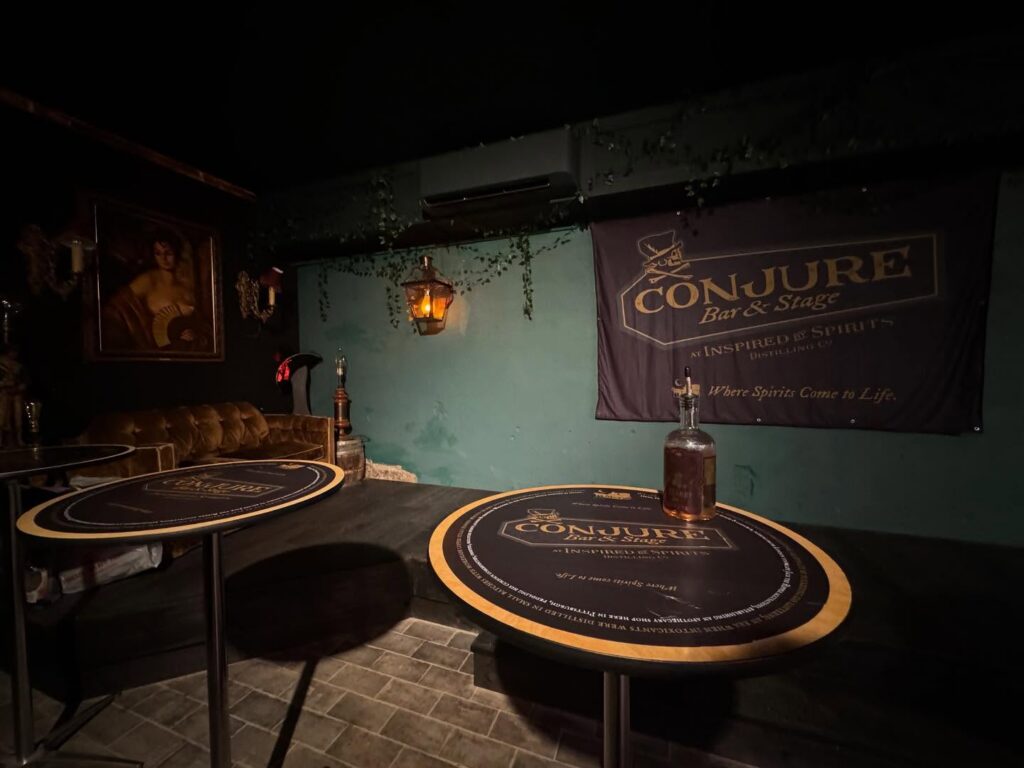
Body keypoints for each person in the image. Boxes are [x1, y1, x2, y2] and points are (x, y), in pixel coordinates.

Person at [101, 230, 210, 352]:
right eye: (158, 253)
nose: (163, 258)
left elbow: (201, 324)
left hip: (181, 351)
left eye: (168, 253)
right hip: (151, 350)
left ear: (177, 253)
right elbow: (117, 308)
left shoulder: (186, 288)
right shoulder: (147, 281)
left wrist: (194, 334)